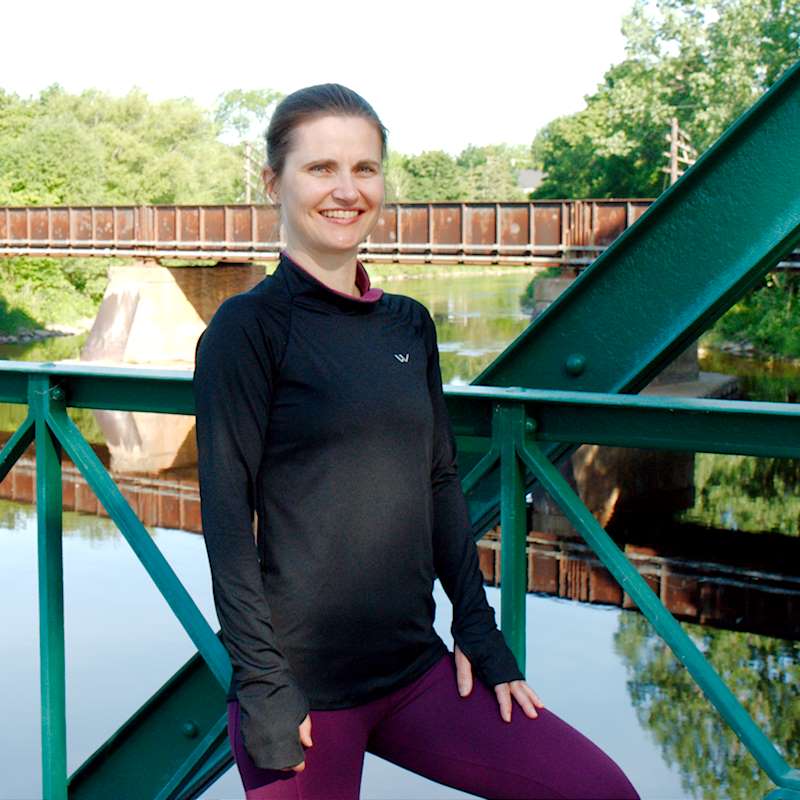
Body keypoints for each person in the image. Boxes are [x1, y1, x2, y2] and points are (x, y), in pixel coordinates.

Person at [192, 83, 640, 800]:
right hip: (303, 694)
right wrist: (263, 685)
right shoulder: (249, 330)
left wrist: (477, 627)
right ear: (274, 182)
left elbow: (438, 482)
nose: (347, 190)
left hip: (416, 672)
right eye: (320, 169)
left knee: (598, 790)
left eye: (364, 169)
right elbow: (225, 522)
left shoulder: (408, 325)